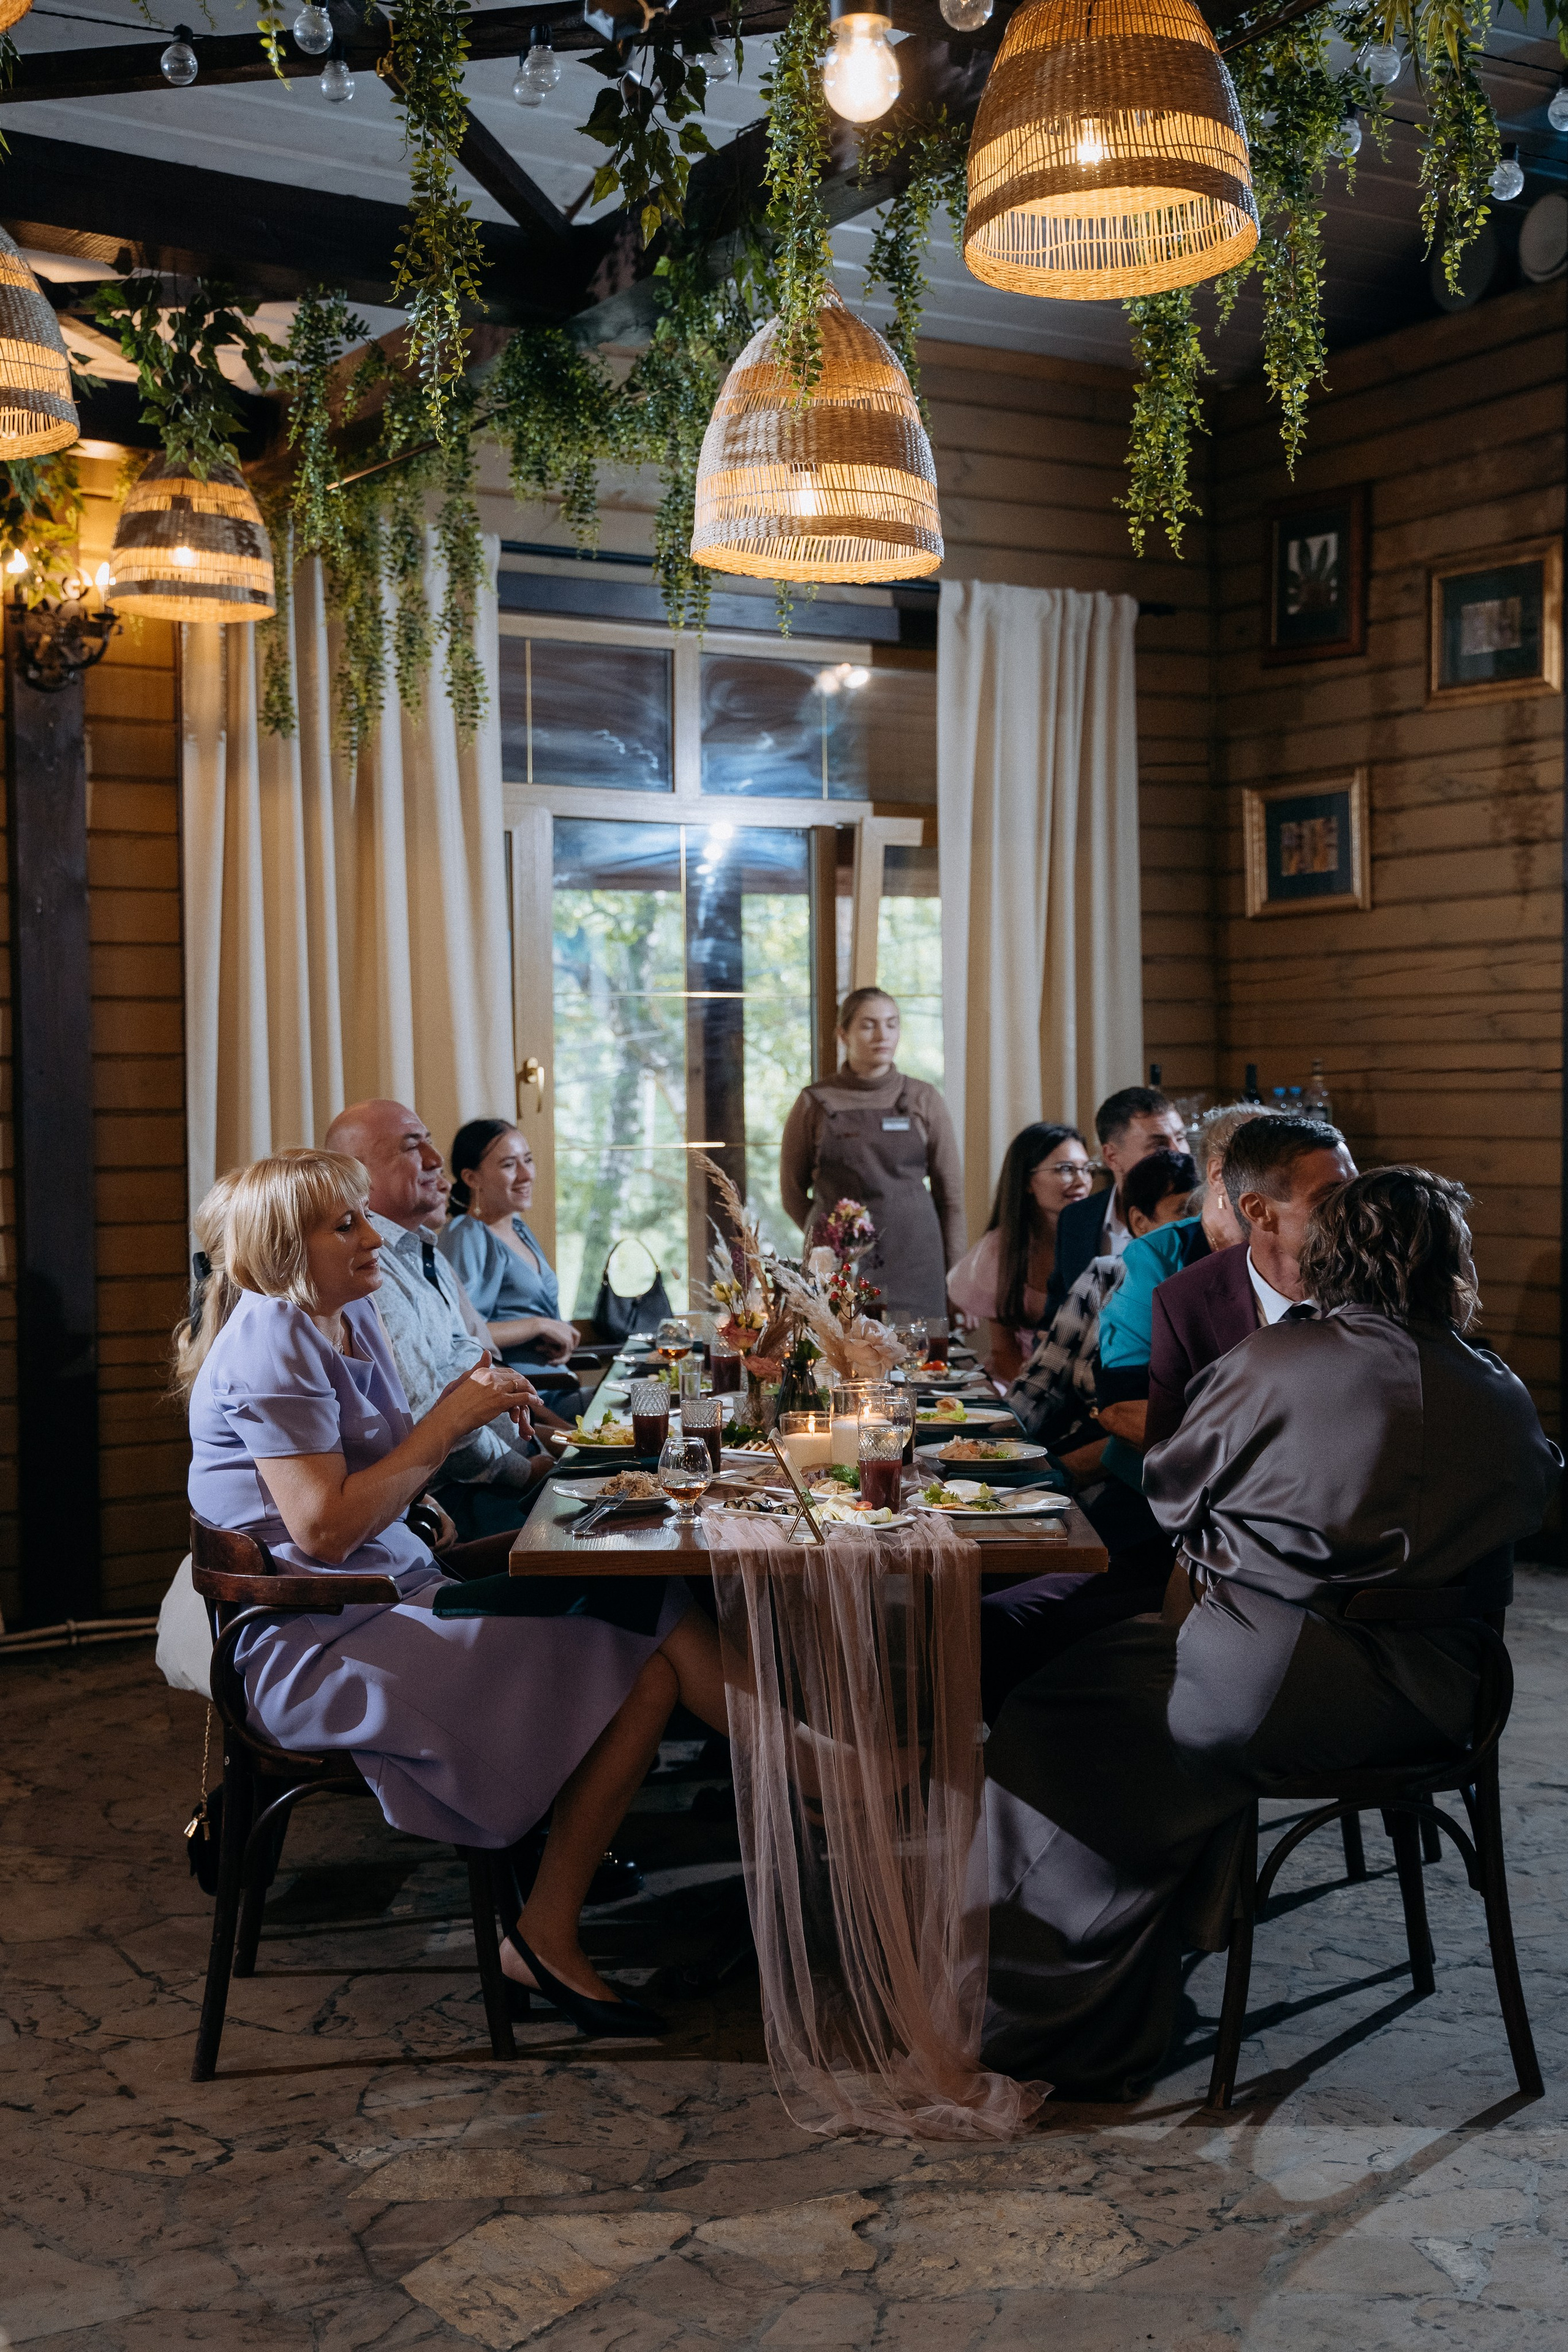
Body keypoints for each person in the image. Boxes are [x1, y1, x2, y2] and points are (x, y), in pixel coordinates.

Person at [983, 1165, 1560, 2097]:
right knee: (1146, 1691)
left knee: (1056, 1706)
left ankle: (1050, 2019)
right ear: (1446, 1267)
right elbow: (1528, 1502)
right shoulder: (1498, 1388)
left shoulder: (1275, 1363)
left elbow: (1170, 1491)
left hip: (1278, 1694)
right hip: (1452, 1699)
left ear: (1329, 1255)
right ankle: (1178, 1928)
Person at [183, 1148, 732, 2037]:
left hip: (384, 1593)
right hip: (318, 1647)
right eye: (347, 1224)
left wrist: (443, 1469)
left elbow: (373, 1489)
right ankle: (822, 1781)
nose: (374, 1238)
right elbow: (321, 1530)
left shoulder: (339, 1319)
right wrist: (445, 1426)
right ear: (287, 1249)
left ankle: (560, 1922)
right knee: (649, 1632)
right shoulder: (272, 1339)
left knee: (640, 1575)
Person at [978, 1148, 1198, 1717]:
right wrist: (989, 1460)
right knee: (970, 1572)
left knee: (994, 1607)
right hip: (1091, 1483)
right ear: (1140, 1223)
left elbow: (1134, 1424)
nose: (1196, 1225)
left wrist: (1062, 1473)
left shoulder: (1209, 1296)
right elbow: (1038, 1389)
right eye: (1186, 1211)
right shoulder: (1108, 1276)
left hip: (1137, 1508)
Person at [323, 1099, 554, 1541]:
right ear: (358, 1173)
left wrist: (543, 1452)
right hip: (452, 1499)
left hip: (502, 1470)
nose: (435, 1160)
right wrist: (528, 1472)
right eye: (413, 1148)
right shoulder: (369, 1273)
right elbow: (427, 1414)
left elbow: (467, 1366)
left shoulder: (418, 1251)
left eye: (430, 1142)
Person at [1145, 1115, 1357, 1449]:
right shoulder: (1184, 1301)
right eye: (1329, 1197)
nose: (1353, 1211)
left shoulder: (1383, 1282)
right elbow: (1168, 1455)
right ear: (1258, 1210)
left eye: (1354, 1191)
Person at [778, 987, 963, 1321]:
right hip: (840, 1266)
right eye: (868, 1025)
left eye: (892, 1024)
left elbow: (951, 1199)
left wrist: (957, 1279)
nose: (883, 1035)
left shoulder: (924, 1099)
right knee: (836, 1362)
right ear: (842, 1034)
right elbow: (792, 1193)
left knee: (919, 1363)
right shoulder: (814, 1102)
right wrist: (828, 1239)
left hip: (917, 1261)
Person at [438, 1120, 585, 1409]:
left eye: (528, 1160)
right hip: (523, 1402)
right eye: (509, 1165)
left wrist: (558, 1336)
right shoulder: (467, 1234)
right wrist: (538, 1325)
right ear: (471, 1178)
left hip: (556, 1386)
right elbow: (461, 1335)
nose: (527, 1174)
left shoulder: (518, 1227)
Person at [947, 1123, 1092, 1381]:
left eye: (1086, 1169)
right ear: (1027, 1181)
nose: (1082, 1182)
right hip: (1024, 1384)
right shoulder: (1001, 1249)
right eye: (1066, 1169)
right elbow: (1004, 1352)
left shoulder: (1102, 1240)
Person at [1046, 1087, 1188, 1318]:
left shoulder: (1200, 1218)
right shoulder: (1076, 1219)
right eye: (1159, 1145)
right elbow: (1056, 1311)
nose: (1179, 1152)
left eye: (1180, 1138)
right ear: (1112, 1156)